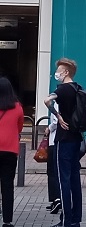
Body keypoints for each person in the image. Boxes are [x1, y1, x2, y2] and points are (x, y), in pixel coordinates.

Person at [44, 58, 83, 227]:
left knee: (63, 180)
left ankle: (66, 220)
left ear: (66, 72)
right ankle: (75, 219)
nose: (57, 74)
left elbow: (47, 101)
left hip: (63, 139)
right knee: (75, 179)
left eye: (59, 70)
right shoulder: (78, 88)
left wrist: (57, 115)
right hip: (76, 138)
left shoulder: (62, 89)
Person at [0, 77, 24, 227]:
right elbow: (19, 127)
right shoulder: (18, 107)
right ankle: (7, 221)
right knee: (7, 185)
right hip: (9, 150)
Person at [44, 104, 61, 215]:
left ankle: (56, 199)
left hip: (54, 140)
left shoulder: (57, 102)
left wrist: (49, 128)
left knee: (52, 172)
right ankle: (55, 199)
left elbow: (56, 121)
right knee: (54, 171)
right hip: (60, 141)